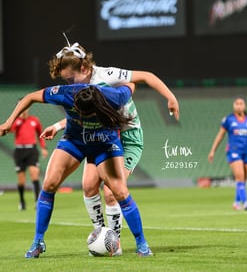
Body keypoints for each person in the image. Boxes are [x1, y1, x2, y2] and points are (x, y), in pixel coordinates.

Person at [41, 39, 179, 255]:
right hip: (102, 136)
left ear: (84, 68)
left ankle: (115, 243)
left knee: (111, 192)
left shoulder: (107, 76)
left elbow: (146, 76)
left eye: (70, 78)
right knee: (88, 186)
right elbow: (85, 115)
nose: (68, 84)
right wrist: (59, 126)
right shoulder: (80, 88)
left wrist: (170, 97)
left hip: (128, 137)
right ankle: (101, 235)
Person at [0, 83, 154, 258]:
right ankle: (38, 242)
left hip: (105, 144)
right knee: (49, 184)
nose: (78, 115)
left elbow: (131, 84)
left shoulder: (114, 97)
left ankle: (142, 244)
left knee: (119, 191)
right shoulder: (66, 93)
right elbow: (30, 97)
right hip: (74, 141)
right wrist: (9, 122)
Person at [208, 96, 247, 210]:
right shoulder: (229, 120)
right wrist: (213, 150)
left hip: (246, 152)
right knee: (240, 176)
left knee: (243, 180)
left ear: (245, 106)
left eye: (241, 103)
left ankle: (236, 203)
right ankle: (245, 202)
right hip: (233, 151)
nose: (238, 105)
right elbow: (220, 135)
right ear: (233, 105)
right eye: (236, 103)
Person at [10, 106, 48, 210]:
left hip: (31, 149)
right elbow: (11, 130)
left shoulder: (34, 120)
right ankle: (22, 201)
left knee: (34, 174)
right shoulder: (16, 121)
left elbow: (41, 134)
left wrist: (43, 148)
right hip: (19, 150)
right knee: (21, 179)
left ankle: (37, 201)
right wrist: (16, 120)